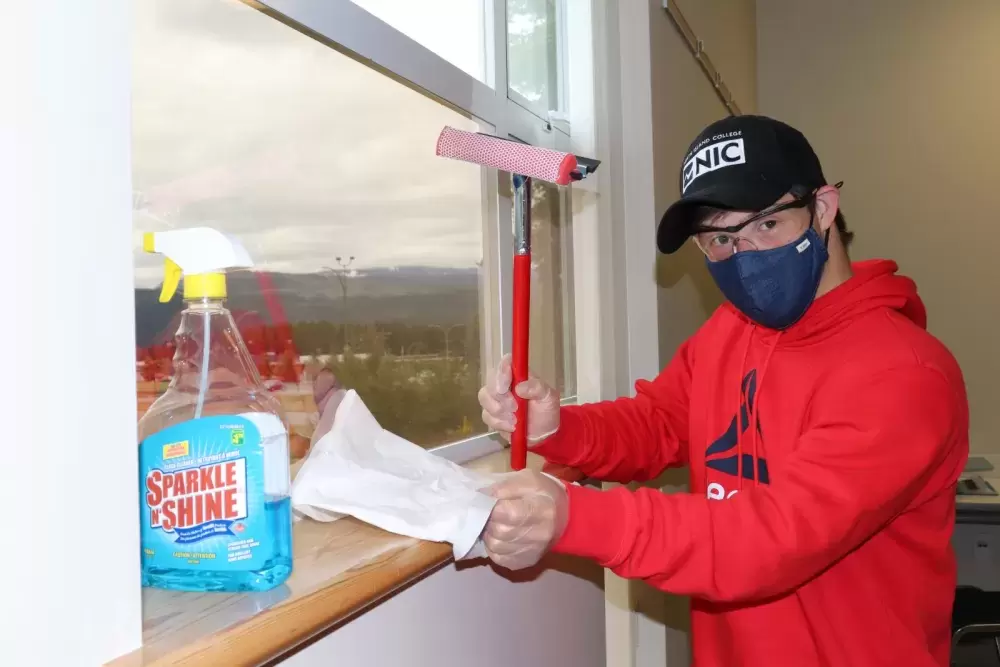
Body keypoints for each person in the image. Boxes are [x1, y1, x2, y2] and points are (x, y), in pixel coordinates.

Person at [477, 115, 969, 667]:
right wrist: (558, 428)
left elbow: (774, 539)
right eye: (720, 239)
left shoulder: (904, 374)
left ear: (824, 209)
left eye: (764, 224)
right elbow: (660, 423)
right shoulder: (730, 332)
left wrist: (577, 517)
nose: (745, 255)